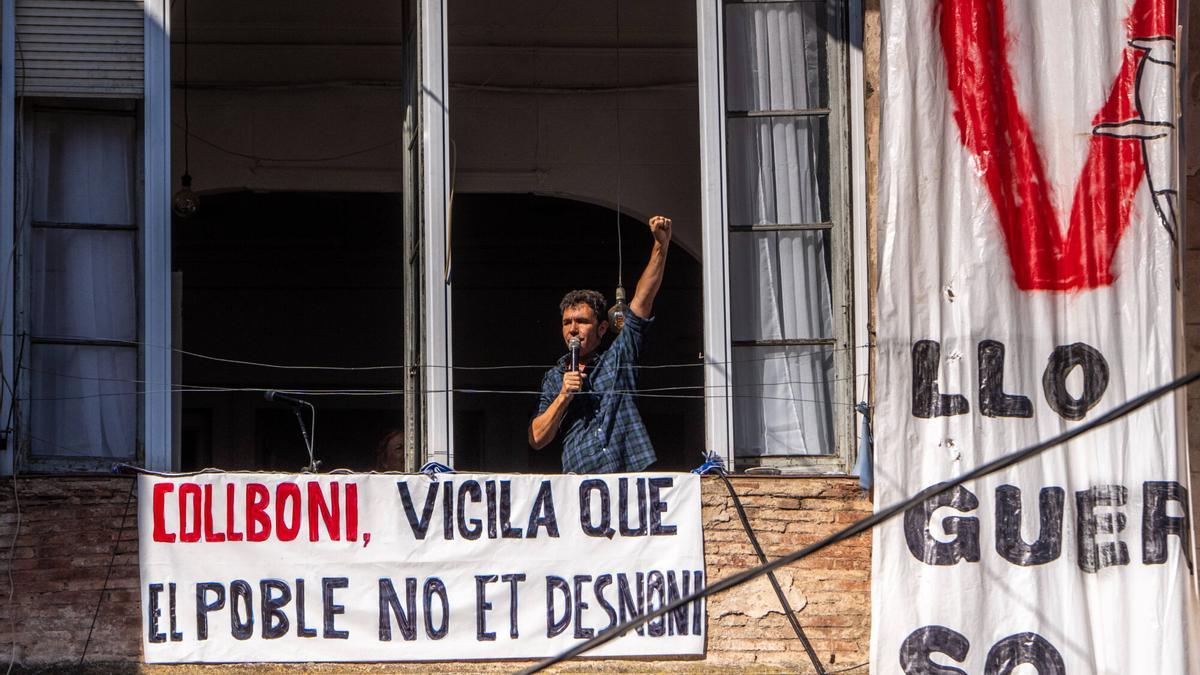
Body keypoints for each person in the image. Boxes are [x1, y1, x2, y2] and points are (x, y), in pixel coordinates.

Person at [529, 214, 672, 473]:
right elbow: (537, 438)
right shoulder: (554, 377)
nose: (572, 329)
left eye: (581, 321)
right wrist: (563, 397)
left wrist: (661, 245)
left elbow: (642, 301)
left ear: (602, 328)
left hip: (626, 483)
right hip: (581, 487)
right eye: (566, 322)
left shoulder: (618, 357)